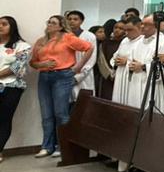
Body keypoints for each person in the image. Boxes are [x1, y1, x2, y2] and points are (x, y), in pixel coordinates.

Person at [29, 15, 93, 159]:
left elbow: (89, 48)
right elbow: (33, 62)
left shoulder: (67, 37)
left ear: (60, 26)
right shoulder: (41, 41)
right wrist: (41, 64)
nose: (49, 25)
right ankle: (47, 146)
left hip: (62, 76)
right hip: (44, 77)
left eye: (53, 23)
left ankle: (62, 146)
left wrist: (78, 67)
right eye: (48, 22)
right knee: (46, 114)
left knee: (60, 113)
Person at [0, 16, 31, 161]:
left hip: (11, 87)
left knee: (4, 119)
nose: (0, 26)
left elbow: (17, 67)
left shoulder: (22, 46)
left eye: (4, 24)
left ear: (12, 27)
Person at [64, 10, 96, 101]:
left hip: (84, 75)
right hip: (66, 75)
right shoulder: (63, 36)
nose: (72, 21)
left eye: (75, 19)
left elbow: (91, 59)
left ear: (81, 21)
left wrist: (78, 77)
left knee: (81, 104)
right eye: (69, 19)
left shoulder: (89, 36)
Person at [111, 15, 142, 106]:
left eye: (130, 30)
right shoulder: (125, 41)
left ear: (140, 27)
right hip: (120, 75)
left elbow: (143, 62)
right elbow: (115, 56)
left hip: (134, 77)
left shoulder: (143, 41)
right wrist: (116, 61)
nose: (127, 33)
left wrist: (127, 62)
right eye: (125, 30)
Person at [95, 18, 123, 101]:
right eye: (115, 27)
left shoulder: (125, 43)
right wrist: (110, 74)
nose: (117, 30)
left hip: (120, 76)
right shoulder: (105, 43)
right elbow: (101, 61)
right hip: (107, 77)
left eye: (121, 28)